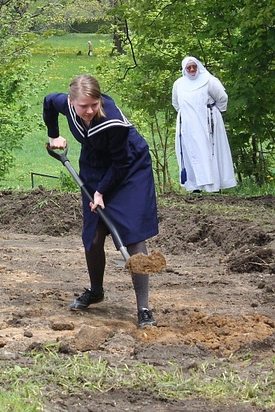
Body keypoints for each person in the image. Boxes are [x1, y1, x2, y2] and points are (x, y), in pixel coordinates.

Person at [44, 75, 159, 328]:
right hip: (95, 166)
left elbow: (122, 162)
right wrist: (54, 135)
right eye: (83, 106)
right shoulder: (64, 104)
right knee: (94, 237)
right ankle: (96, 291)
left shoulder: (112, 121)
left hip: (130, 169)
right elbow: (48, 103)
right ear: (71, 101)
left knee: (133, 235)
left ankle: (144, 308)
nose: (89, 111)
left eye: (94, 105)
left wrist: (100, 193)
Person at [172, 56, 236, 193]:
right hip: (188, 124)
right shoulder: (178, 84)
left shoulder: (209, 81)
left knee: (209, 151)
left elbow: (222, 98)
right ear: (184, 69)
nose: (191, 69)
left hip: (208, 121)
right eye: (188, 67)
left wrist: (213, 113)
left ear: (198, 66)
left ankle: (213, 186)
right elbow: (176, 103)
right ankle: (195, 186)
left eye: (194, 66)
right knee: (191, 152)